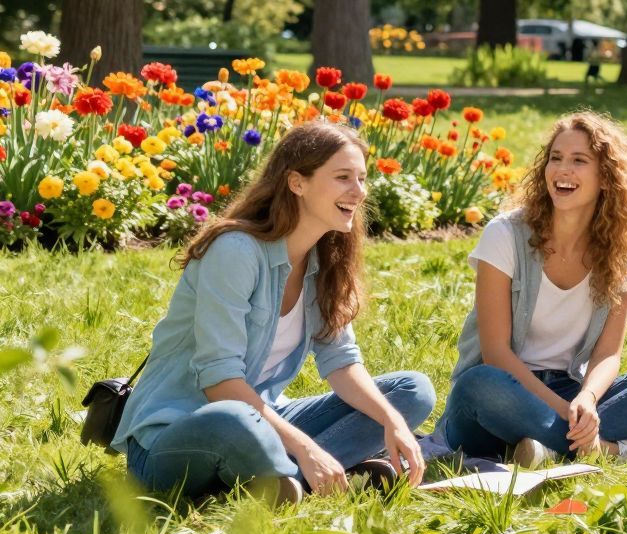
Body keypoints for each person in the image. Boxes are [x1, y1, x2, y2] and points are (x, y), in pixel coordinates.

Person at [114, 122, 433, 505]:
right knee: (233, 418)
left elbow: (341, 361)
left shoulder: (324, 259)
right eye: (343, 177)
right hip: (180, 435)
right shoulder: (236, 251)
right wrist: (304, 446)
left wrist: (391, 421)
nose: (359, 192)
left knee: (411, 392)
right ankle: (311, 471)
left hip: (262, 421)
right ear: (297, 183)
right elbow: (219, 382)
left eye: (362, 178)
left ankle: (286, 480)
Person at [440, 113, 627, 466]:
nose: (562, 170)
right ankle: (610, 450)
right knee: (480, 384)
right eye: (555, 158)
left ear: (606, 178)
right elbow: (496, 355)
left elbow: (608, 354)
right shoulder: (505, 235)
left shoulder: (621, 250)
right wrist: (566, 412)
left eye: (579, 161)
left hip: (569, 387)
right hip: (499, 393)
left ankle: (546, 448)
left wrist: (588, 399)